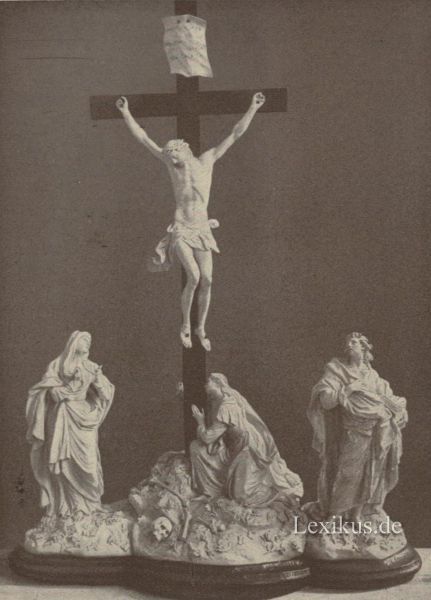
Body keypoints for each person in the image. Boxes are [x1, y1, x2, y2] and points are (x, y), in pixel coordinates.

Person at [116, 93, 266, 351]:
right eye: (168, 154)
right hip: (182, 228)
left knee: (207, 279)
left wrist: (253, 107)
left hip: (202, 228)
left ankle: (201, 328)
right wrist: (125, 112)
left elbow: (235, 134)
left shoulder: (207, 160)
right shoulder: (171, 166)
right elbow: (144, 138)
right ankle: (185, 325)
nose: (170, 157)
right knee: (194, 276)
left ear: (183, 150)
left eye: (173, 153)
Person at [307, 332, 407, 523]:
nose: (349, 345)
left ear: (364, 347)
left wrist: (399, 406)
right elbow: (326, 400)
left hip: (377, 430)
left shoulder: (373, 376)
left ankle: (356, 515)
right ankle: (335, 513)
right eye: (347, 342)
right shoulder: (337, 370)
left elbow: (387, 398)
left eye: (353, 342)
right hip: (353, 430)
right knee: (348, 472)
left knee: (371, 473)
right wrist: (348, 389)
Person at [26, 331, 115, 517]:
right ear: (73, 345)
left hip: (84, 419)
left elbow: (106, 394)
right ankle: (66, 508)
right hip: (62, 418)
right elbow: (47, 392)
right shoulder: (57, 365)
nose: (86, 345)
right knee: (63, 464)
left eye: (88, 344)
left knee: (89, 466)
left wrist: (98, 380)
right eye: (83, 341)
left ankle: (90, 507)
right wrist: (60, 391)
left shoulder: (91, 367)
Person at [189, 373, 303, 506]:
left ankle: (281, 496)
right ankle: (208, 493)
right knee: (197, 448)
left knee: (241, 496)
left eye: (208, 382)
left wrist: (200, 422)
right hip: (231, 447)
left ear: (218, 384)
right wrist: (184, 394)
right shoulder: (218, 400)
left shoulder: (227, 407)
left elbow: (208, 437)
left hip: (248, 449)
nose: (205, 386)